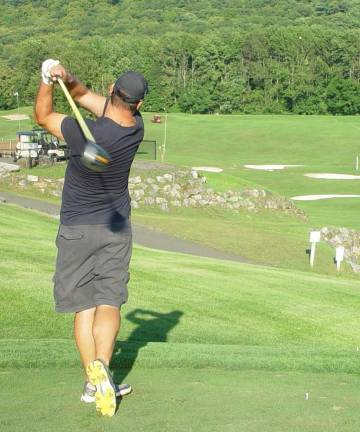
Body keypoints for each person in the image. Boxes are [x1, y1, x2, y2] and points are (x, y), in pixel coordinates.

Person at [34, 59, 148, 417]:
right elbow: (82, 95)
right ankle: (103, 365)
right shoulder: (136, 128)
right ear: (138, 104)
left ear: (113, 90)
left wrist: (46, 81)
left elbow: (43, 116)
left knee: (84, 307)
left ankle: (92, 381)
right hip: (115, 228)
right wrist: (66, 77)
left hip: (77, 228)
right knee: (109, 301)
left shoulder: (83, 135)